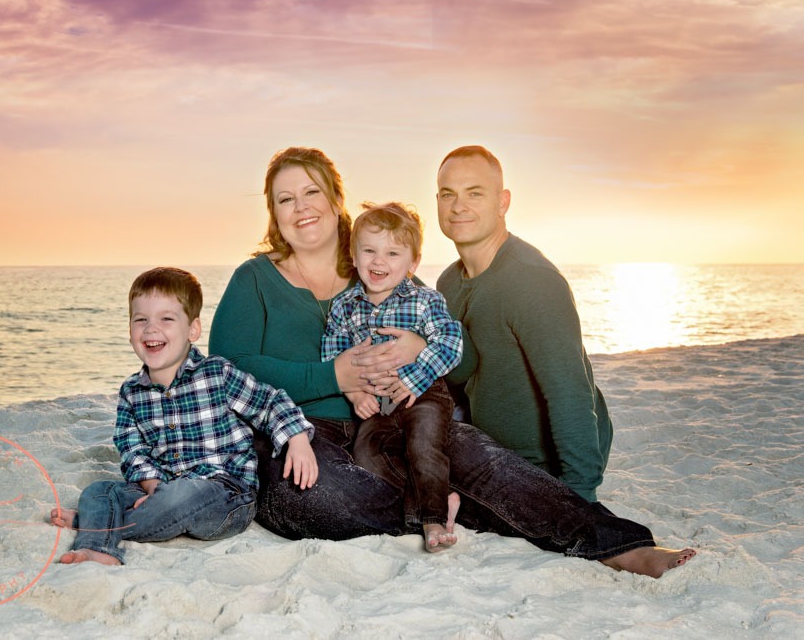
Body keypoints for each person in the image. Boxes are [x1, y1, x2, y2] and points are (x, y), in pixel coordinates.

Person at [209, 146, 695, 578]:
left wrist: (420, 352)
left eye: (310, 192)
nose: (301, 208)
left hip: (397, 414)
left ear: (336, 200)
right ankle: (440, 508)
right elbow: (226, 371)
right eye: (285, 199)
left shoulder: (382, 265)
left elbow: (447, 345)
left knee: (484, 461)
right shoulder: (254, 279)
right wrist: (333, 375)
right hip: (302, 430)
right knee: (311, 498)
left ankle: (623, 547)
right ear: (274, 213)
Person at [50, 267, 317, 565]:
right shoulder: (131, 392)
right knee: (98, 490)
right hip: (162, 489)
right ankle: (97, 545)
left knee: (181, 495)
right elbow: (131, 449)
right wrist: (152, 487)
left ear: (193, 330)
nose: (151, 329)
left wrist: (296, 439)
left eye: (166, 319)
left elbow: (269, 402)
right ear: (130, 331)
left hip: (225, 495)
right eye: (141, 320)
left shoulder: (217, 374)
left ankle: (97, 523)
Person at [435, 145, 610, 503]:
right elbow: (457, 378)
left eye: (475, 193)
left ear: (503, 202)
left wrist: (581, 496)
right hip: (485, 450)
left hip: (541, 467)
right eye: (448, 194)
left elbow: (570, 394)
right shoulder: (447, 284)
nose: (458, 206)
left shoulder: (532, 281)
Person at [320, 202, 463, 552]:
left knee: (423, 445)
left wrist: (414, 379)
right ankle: (438, 501)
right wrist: (355, 395)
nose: (378, 261)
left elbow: (451, 342)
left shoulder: (424, 300)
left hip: (423, 393)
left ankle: (431, 522)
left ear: (413, 263)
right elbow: (333, 355)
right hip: (378, 403)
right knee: (367, 456)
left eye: (393, 253)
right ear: (354, 255)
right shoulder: (344, 306)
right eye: (369, 250)